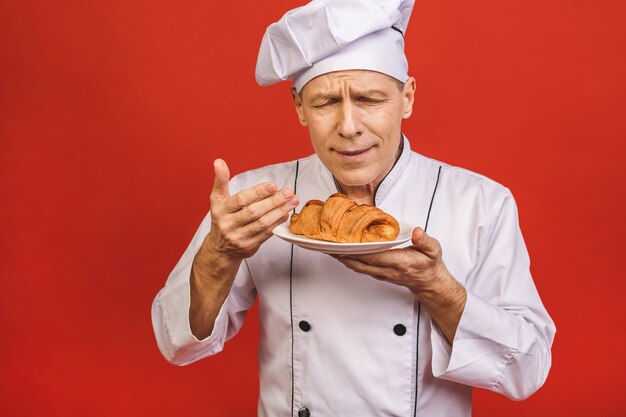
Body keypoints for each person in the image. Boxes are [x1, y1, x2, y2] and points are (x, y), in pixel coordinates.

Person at [151, 1, 555, 416]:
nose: (348, 126)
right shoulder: (255, 199)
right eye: (326, 102)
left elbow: (527, 369)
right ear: (299, 108)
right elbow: (177, 343)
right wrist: (219, 255)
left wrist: (438, 288)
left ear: (407, 97)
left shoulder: (480, 204)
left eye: (369, 99)